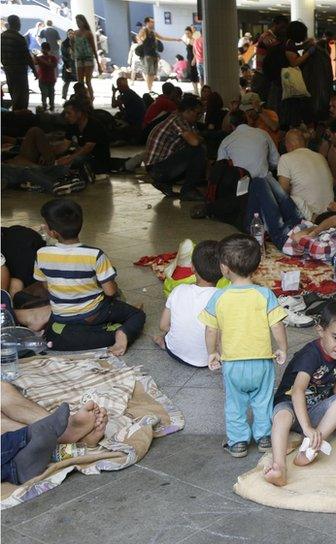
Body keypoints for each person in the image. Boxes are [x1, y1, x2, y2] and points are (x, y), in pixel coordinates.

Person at [200, 234, 289, 458]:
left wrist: (212, 352)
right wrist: (282, 348)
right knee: (263, 401)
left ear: (224, 268)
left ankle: (238, 442)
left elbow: (211, 329)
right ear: (257, 266)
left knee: (235, 404)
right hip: (262, 362)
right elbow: (277, 325)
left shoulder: (219, 297)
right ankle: (264, 437)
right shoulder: (265, 295)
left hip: (232, 364)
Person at [264, 301, 336, 486]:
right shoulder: (310, 354)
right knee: (282, 416)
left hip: (314, 410)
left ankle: (309, 448)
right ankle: (279, 467)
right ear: (320, 330)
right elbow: (298, 390)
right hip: (291, 407)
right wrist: (307, 427)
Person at [33, 198, 146, 356]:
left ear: (52, 233)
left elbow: (45, 286)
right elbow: (110, 292)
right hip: (94, 313)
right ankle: (121, 334)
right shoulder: (94, 255)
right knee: (137, 314)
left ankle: (83, 332)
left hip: (62, 315)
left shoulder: (41, 254)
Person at [153, 240, 221, 368]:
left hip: (174, 352)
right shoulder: (223, 297)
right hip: (207, 358)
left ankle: (164, 342)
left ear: (192, 267)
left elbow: (163, 326)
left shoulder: (178, 290)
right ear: (225, 270)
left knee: (166, 335)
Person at [144, 95, 207, 201]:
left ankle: (165, 183)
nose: (199, 117)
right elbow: (195, 141)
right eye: (197, 113)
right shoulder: (177, 119)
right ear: (187, 111)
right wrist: (201, 138)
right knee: (197, 151)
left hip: (161, 166)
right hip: (157, 168)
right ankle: (188, 191)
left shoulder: (189, 123)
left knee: (199, 153)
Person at [277, 129, 336, 222]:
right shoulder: (320, 156)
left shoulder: (285, 158)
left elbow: (281, 192)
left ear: (288, 144)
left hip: (310, 215)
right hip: (330, 210)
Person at [217, 108, 280, 190]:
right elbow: (276, 161)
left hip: (239, 186)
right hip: (264, 183)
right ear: (247, 120)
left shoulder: (226, 141)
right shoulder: (263, 133)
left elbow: (221, 167)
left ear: (231, 125)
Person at [62, 99, 112, 174]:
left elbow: (87, 149)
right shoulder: (72, 125)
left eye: (69, 113)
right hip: (84, 156)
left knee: (77, 159)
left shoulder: (94, 125)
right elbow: (64, 146)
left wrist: (68, 159)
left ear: (79, 113)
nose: (66, 116)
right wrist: (48, 152)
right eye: (65, 113)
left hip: (97, 160)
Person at [1, 15, 37, 110]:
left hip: (8, 68)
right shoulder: (18, 37)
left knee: (13, 91)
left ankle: (15, 113)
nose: (20, 25)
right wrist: (34, 70)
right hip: (19, 70)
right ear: (16, 23)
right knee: (22, 94)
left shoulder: (2, 36)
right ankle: (20, 115)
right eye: (19, 22)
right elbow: (27, 56)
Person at [136, 16, 179, 91]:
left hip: (154, 54)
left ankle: (150, 87)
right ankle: (149, 89)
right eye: (151, 22)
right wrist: (141, 41)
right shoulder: (144, 30)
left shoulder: (153, 33)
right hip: (147, 55)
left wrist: (175, 39)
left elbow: (163, 38)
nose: (153, 23)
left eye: (153, 22)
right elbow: (138, 37)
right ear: (147, 23)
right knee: (150, 73)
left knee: (153, 74)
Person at [71, 14, 99, 100]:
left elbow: (93, 47)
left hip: (88, 58)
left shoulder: (88, 33)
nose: (78, 23)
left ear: (83, 22)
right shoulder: (74, 33)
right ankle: (82, 97)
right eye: (77, 22)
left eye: (79, 21)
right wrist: (72, 42)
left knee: (87, 81)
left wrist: (98, 62)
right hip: (79, 58)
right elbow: (73, 46)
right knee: (80, 81)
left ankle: (90, 97)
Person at [34, 42, 58, 111]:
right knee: (44, 93)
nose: (44, 50)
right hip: (42, 78)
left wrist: (40, 59)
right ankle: (45, 105)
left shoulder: (52, 58)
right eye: (43, 49)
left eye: (45, 49)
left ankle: (51, 105)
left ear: (49, 49)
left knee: (51, 94)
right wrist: (34, 57)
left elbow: (52, 65)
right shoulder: (40, 57)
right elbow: (35, 63)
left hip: (50, 79)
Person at [60, 29, 76, 102]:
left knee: (79, 81)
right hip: (68, 64)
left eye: (72, 33)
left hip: (76, 64)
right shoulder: (64, 43)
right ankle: (64, 97)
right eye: (69, 33)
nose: (71, 35)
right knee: (66, 81)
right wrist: (67, 66)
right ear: (67, 34)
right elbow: (63, 56)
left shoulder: (77, 42)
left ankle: (78, 96)